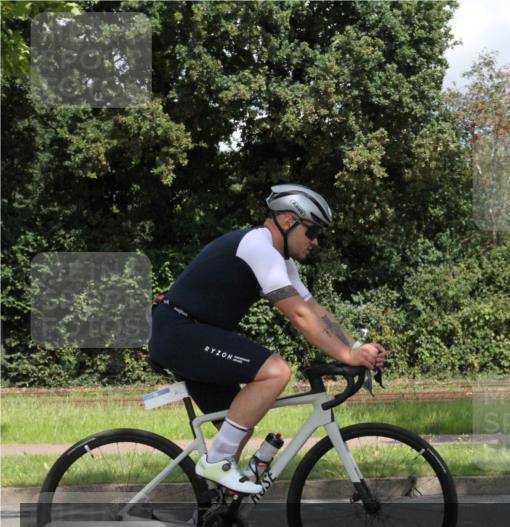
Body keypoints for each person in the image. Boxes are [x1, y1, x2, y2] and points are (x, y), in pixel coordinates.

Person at [148, 184, 385, 494]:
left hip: (191, 333)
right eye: (312, 232)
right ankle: (216, 461)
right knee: (276, 371)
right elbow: (298, 315)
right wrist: (346, 355)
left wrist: (355, 347)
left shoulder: (281, 261)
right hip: (180, 332)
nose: (316, 241)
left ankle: (212, 522)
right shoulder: (257, 247)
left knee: (237, 429)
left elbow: (314, 309)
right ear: (288, 221)